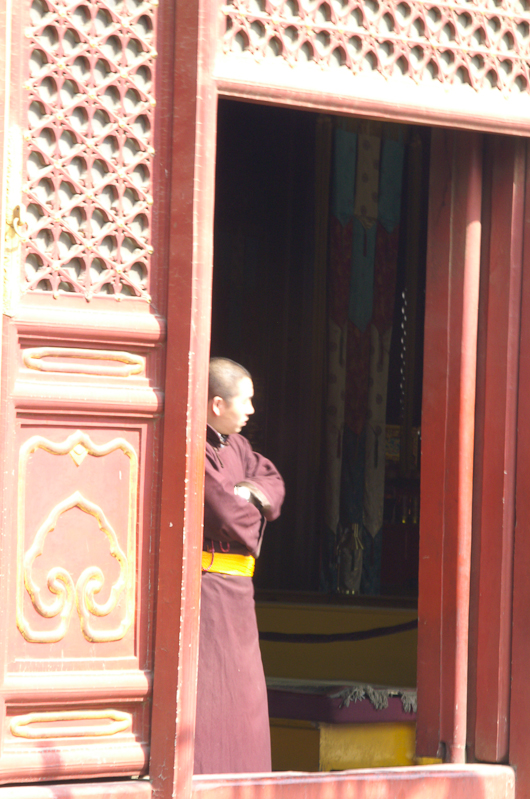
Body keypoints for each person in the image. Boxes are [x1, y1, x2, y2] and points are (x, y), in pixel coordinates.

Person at [194, 357, 285, 775]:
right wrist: (245, 500)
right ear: (217, 404)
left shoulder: (239, 447)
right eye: (244, 401)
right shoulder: (194, 445)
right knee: (214, 692)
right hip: (208, 591)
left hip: (240, 594)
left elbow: (272, 481)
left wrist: (245, 492)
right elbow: (223, 512)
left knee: (246, 699)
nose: (251, 410)